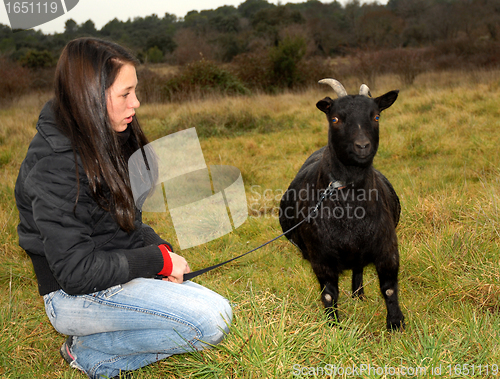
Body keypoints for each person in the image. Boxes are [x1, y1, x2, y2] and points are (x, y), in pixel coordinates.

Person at [15, 37, 232, 379]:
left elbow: (125, 222)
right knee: (212, 318)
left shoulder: (109, 136)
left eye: (135, 91)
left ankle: (96, 346)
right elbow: (75, 273)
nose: (137, 103)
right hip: (72, 295)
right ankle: (90, 354)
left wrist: (158, 247)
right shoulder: (54, 165)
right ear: (90, 96)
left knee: (214, 313)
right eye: (125, 94)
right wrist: (157, 261)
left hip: (114, 269)